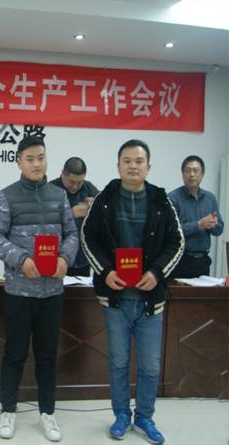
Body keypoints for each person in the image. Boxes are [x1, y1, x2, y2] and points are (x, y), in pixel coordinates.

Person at [81, 139, 184, 444]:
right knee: (118, 362)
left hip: (150, 301)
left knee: (150, 366)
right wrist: (105, 271)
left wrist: (157, 272)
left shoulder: (162, 201)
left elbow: (177, 242)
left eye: (139, 161)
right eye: (127, 161)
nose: (133, 166)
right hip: (116, 299)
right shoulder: (104, 199)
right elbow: (88, 238)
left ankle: (145, 417)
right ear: (118, 166)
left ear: (148, 167)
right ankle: (121, 415)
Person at [0, 136, 78, 442]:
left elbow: (72, 233)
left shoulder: (58, 195)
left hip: (52, 293)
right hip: (19, 292)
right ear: (19, 162)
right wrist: (21, 259)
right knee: (14, 354)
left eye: (41, 157)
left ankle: (47, 413)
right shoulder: (7, 196)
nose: (37, 164)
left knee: (47, 356)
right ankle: (8, 411)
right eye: (30, 159)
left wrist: (65, 258)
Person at [168, 155, 224, 278]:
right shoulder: (173, 197)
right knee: (179, 291)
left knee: (203, 291)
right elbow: (171, 231)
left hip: (203, 261)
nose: (192, 174)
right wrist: (198, 225)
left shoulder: (210, 198)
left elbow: (219, 230)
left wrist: (213, 225)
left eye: (195, 170)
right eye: (188, 171)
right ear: (182, 174)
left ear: (202, 174)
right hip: (180, 260)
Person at [50, 157, 99, 276]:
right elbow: (43, 222)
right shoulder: (50, 190)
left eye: (80, 182)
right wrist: (71, 213)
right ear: (62, 174)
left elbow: (106, 215)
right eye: (71, 182)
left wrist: (95, 209)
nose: (75, 186)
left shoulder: (89, 189)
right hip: (56, 257)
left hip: (82, 260)